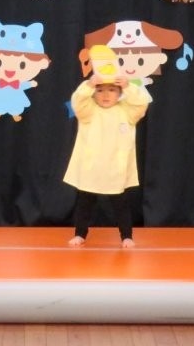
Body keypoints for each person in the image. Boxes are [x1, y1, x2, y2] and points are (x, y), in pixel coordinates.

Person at [63, 50, 150, 248]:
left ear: (119, 93)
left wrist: (128, 86)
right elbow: (77, 101)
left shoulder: (127, 111)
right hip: (91, 168)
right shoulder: (88, 111)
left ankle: (126, 236)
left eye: (111, 90)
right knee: (85, 203)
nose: (106, 95)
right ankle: (80, 234)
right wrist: (89, 85)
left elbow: (142, 104)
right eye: (100, 90)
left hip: (115, 169)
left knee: (121, 205)